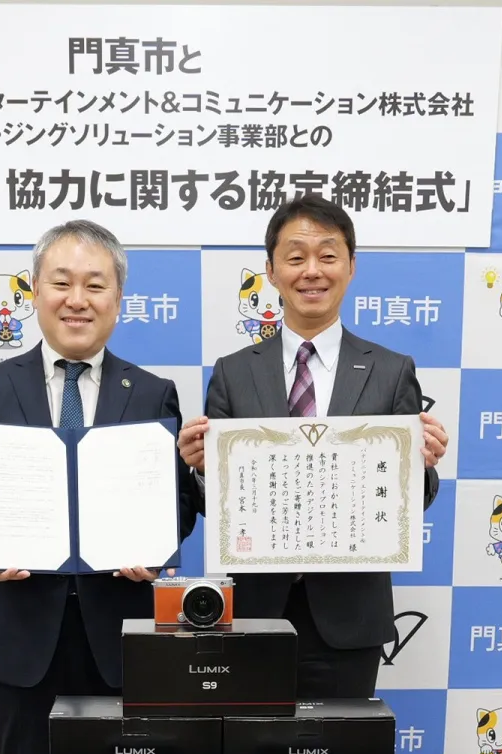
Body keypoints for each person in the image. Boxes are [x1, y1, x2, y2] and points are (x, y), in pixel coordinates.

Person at [0, 219, 200, 754]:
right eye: (61, 282)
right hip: (21, 638)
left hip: (122, 638)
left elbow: (180, 498)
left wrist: (157, 549)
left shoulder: (153, 393)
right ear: (35, 290)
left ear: (117, 300)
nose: (77, 300)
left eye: (95, 285)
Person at [177, 194, 449, 700]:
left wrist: (422, 465)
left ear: (351, 266)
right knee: (252, 744)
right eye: (296, 257)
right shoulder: (233, 373)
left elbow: (414, 500)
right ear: (271, 270)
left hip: (351, 616)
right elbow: (218, 504)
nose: (312, 271)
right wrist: (201, 470)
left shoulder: (392, 372)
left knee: (343, 745)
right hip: (257, 612)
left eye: (327, 255)